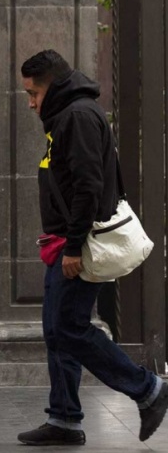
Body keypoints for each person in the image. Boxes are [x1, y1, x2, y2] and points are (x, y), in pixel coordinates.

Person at [17, 49, 168, 446]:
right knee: (57, 329)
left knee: (71, 327)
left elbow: (88, 187)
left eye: (33, 93)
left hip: (78, 244)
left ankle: (148, 388)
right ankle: (64, 418)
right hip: (64, 242)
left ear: (52, 85)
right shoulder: (66, 116)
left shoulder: (78, 117)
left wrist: (72, 247)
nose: (31, 103)